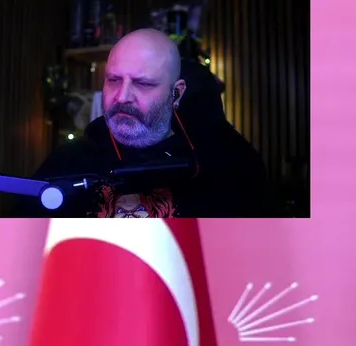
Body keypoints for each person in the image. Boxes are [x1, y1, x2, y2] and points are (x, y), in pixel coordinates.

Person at [14, 28, 273, 218]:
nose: (122, 97)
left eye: (143, 83)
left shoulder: (227, 167)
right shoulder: (66, 163)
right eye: (114, 80)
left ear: (176, 93)